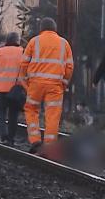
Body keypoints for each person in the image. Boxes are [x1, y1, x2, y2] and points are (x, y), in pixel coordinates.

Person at [19, 17, 74, 154]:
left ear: (41, 29)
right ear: (55, 29)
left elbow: (24, 63)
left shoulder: (34, 41)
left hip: (35, 84)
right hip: (55, 86)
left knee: (31, 109)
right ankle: (49, 146)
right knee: (52, 114)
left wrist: (26, 82)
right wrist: (64, 83)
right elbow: (69, 67)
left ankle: (35, 140)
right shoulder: (64, 43)